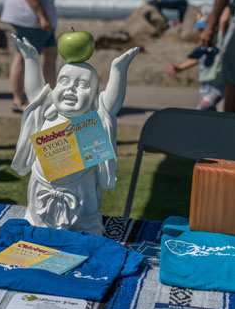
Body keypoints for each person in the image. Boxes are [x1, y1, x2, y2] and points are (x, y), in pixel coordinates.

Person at [11, 34, 139, 235]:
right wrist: (30, 59)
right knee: (37, 224)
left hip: (81, 188)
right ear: (54, 88)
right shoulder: (47, 111)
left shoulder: (91, 120)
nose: (71, 88)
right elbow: (35, 91)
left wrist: (118, 70)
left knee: (85, 226)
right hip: (42, 185)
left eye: (82, 85)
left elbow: (110, 105)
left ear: (94, 96)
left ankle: (82, 229)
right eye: (64, 81)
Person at [166, 7, 231, 110]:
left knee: (201, 109)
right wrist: (179, 68)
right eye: (200, 30)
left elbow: (224, 21)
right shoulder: (203, 46)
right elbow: (195, 60)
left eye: (203, 29)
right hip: (205, 88)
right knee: (209, 116)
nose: (201, 33)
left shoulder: (220, 42)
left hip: (218, 88)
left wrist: (226, 3)